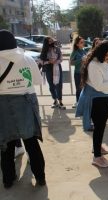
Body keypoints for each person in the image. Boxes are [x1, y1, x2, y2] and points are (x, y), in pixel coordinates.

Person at [0, 30, 46, 188]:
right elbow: (38, 81)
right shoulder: (27, 59)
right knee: (31, 143)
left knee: (7, 145)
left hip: (3, 106)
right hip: (26, 103)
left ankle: (8, 180)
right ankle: (40, 177)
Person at [76, 41, 108, 168]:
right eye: (107, 55)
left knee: (101, 126)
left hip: (104, 98)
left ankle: (97, 147)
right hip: (96, 99)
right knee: (99, 127)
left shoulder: (106, 62)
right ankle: (97, 157)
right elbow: (99, 86)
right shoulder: (93, 65)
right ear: (101, 53)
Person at [40, 36, 65, 109]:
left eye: (51, 41)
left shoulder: (57, 49)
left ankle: (60, 101)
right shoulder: (44, 51)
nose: (51, 43)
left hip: (57, 67)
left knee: (59, 85)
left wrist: (55, 61)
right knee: (51, 85)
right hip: (48, 68)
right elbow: (41, 61)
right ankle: (55, 100)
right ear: (46, 43)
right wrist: (48, 61)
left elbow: (61, 58)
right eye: (49, 41)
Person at [70, 36, 86, 108]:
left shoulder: (83, 51)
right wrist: (81, 60)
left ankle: (83, 102)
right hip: (78, 73)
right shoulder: (75, 52)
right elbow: (71, 62)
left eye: (83, 42)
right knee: (78, 88)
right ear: (77, 44)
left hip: (84, 73)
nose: (83, 43)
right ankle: (78, 102)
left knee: (84, 88)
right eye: (81, 42)